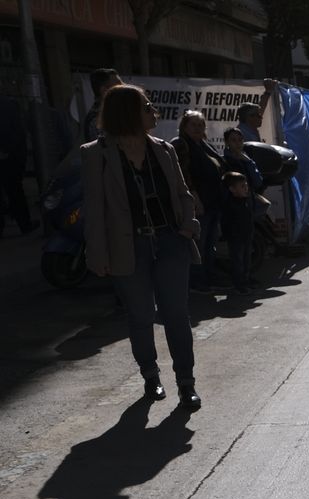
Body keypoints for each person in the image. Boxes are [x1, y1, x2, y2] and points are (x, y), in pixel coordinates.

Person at [82, 85, 203, 408]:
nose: (154, 112)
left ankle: (186, 383)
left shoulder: (164, 149)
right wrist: (97, 253)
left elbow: (182, 193)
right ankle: (150, 375)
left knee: (176, 315)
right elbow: (94, 208)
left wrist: (188, 227)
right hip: (128, 246)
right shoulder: (96, 154)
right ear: (127, 113)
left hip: (170, 241)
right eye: (147, 107)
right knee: (140, 315)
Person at [171, 110, 225, 294]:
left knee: (210, 244)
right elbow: (183, 175)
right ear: (184, 126)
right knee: (198, 246)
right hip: (197, 204)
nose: (198, 128)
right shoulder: (181, 144)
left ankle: (209, 278)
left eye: (201, 124)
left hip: (213, 202)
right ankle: (196, 282)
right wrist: (194, 198)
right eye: (193, 124)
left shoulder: (203, 145)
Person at [0, 95, 34, 238]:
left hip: (9, 154)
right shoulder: (10, 104)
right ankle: (24, 223)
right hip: (11, 155)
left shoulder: (9, 105)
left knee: (13, 190)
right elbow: (18, 131)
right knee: (15, 190)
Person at [220, 171, 254, 294]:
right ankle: (239, 284)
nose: (246, 188)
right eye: (242, 186)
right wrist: (229, 235)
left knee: (246, 260)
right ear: (232, 189)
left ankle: (246, 280)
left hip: (246, 235)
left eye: (246, 185)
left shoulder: (246, 201)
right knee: (237, 261)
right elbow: (226, 222)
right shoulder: (230, 205)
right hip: (236, 237)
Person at [81, 68, 122, 143]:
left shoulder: (111, 112)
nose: (124, 88)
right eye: (119, 86)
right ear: (104, 91)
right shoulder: (97, 120)